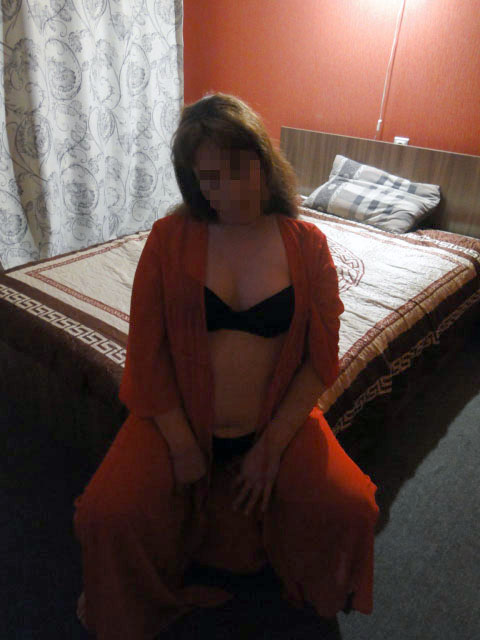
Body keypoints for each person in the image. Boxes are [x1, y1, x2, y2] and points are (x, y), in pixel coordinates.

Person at [73, 92, 380, 639]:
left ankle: (310, 589)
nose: (227, 191)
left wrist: (272, 445)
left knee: (351, 506)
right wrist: (181, 443)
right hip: (176, 415)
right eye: (209, 179)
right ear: (194, 182)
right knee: (105, 512)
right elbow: (145, 354)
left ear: (263, 161)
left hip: (274, 416)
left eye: (238, 170)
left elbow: (318, 361)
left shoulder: (307, 245)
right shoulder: (169, 240)